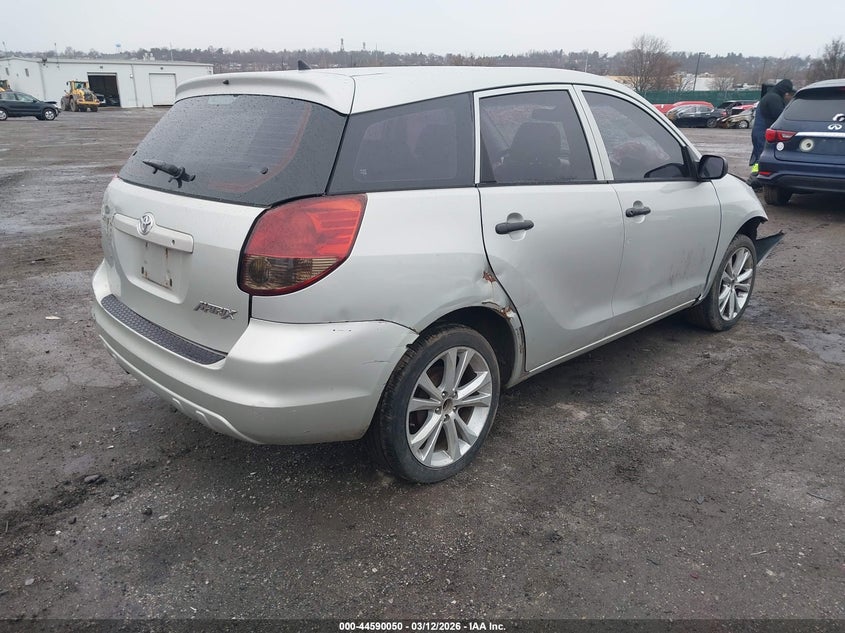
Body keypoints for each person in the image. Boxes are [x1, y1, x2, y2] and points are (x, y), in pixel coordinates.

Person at [747, 78, 795, 188]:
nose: (787, 95)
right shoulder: (774, 98)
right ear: (784, 90)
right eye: (787, 92)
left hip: (758, 131)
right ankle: (753, 181)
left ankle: (754, 178)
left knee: (759, 156)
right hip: (763, 132)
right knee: (761, 157)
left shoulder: (769, 96)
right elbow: (779, 116)